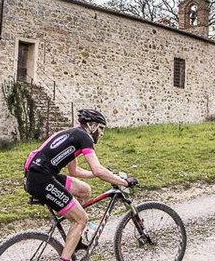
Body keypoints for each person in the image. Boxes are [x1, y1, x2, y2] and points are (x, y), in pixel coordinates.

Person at [23, 109, 136, 261]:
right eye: (101, 128)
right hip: (41, 180)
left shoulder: (73, 134)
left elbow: (74, 171)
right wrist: (123, 182)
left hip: (39, 175)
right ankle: (67, 254)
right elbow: (97, 170)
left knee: (84, 190)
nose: (102, 133)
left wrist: (107, 175)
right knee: (81, 219)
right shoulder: (84, 137)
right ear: (93, 126)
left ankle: (76, 238)